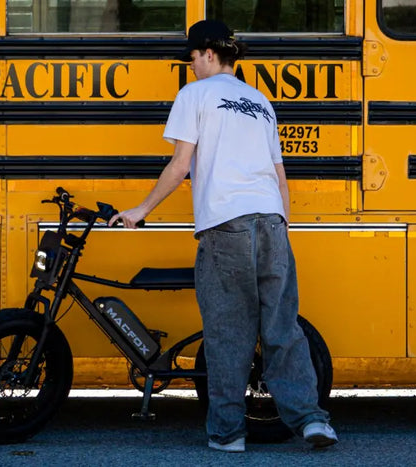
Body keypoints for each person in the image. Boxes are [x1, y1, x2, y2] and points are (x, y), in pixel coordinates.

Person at [109, 19, 337, 453]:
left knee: (228, 332)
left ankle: (229, 434)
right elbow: (279, 175)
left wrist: (140, 210)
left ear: (209, 54)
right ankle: (311, 421)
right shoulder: (260, 101)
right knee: (282, 328)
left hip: (225, 226)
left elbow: (179, 166)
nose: (190, 67)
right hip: (272, 223)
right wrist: (281, 226)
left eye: (192, 58)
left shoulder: (194, 95)